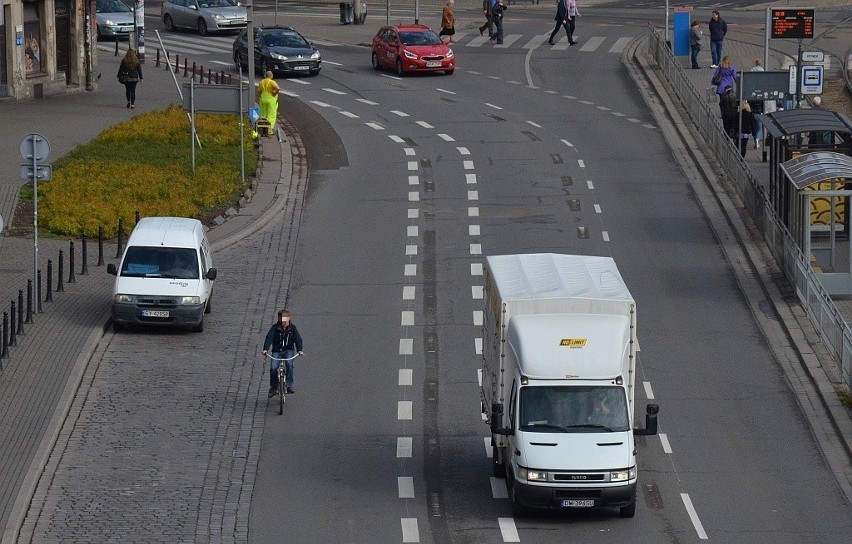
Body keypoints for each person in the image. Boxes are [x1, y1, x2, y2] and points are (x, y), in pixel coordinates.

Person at [262, 309, 304, 397]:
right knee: (273, 368)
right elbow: (269, 338)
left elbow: (298, 339)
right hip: (277, 351)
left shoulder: (293, 328)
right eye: (282, 319)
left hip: (288, 350)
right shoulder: (275, 328)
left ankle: (289, 386)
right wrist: (265, 349)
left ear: (289, 318)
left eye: (285, 319)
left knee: (289, 364)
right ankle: (274, 387)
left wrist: (299, 350)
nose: (284, 321)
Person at [748, 59, 765, 148]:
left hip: (752, 113)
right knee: (759, 128)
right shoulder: (762, 70)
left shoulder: (752, 70)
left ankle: (755, 139)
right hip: (759, 113)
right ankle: (758, 140)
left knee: (754, 128)